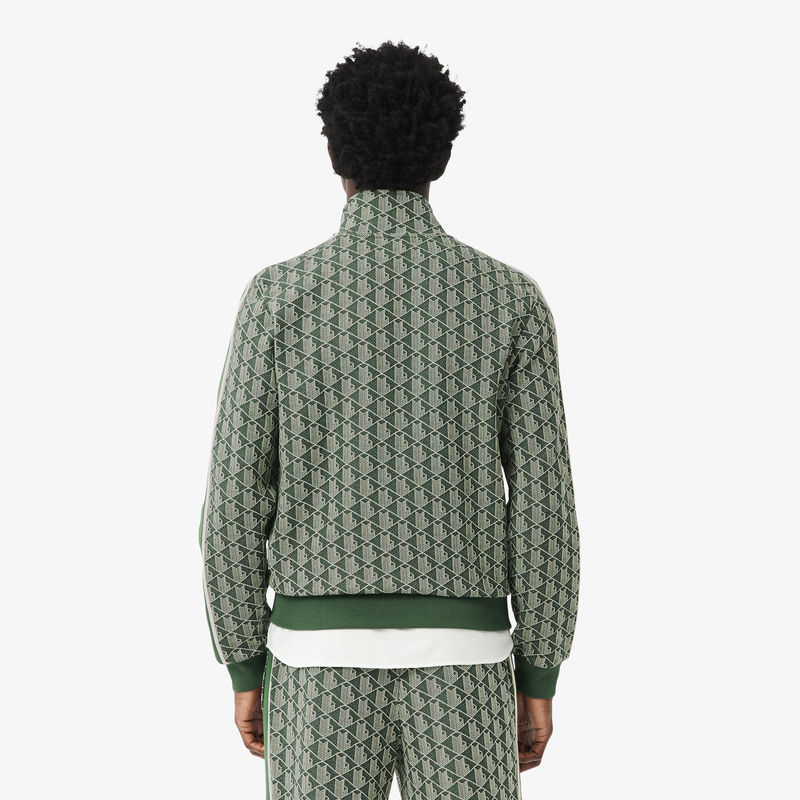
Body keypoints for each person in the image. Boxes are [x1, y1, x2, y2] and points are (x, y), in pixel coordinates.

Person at [199, 39, 580, 799]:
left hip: (314, 667)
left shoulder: (277, 298)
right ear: (442, 154)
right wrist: (539, 672)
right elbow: (544, 507)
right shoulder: (511, 301)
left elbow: (234, 501)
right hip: (467, 667)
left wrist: (244, 663)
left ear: (334, 154)